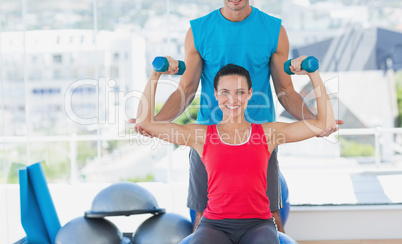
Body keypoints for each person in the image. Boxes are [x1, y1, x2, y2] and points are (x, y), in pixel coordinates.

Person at [131, 0, 342, 232]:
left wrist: (314, 123)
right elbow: (186, 89)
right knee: (202, 215)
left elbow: (285, 90)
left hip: (260, 138)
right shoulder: (199, 30)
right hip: (208, 137)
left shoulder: (274, 30)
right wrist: (155, 123)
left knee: (272, 215)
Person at [136, 57, 336, 244]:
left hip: (258, 224)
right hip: (214, 225)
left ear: (250, 93)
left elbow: (322, 123)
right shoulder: (200, 136)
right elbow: (145, 122)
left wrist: (313, 73)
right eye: (225, 92)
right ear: (215, 94)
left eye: (240, 92)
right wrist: (156, 74)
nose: (232, 99)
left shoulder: (268, 134)